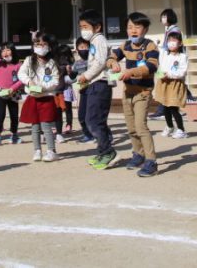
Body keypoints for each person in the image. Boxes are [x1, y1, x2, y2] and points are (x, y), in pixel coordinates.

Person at [108, 12, 161, 176]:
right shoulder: (125, 45)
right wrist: (113, 63)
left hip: (143, 92)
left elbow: (152, 66)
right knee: (131, 128)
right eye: (130, 27)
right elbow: (111, 57)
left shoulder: (150, 46)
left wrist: (131, 72)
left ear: (145, 29)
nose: (133, 30)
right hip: (128, 92)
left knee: (140, 126)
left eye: (137, 27)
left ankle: (151, 161)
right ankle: (138, 154)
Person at [74, 9, 115, 170]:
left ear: (97, 27)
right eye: (81, 27)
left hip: (100, 84)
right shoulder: (94, 41)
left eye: (85, 27)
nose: (83, 30)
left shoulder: (99, 40)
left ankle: (108, 152)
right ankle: (102, 151)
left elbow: (100, 62)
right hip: (94, 83)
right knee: (93, 119)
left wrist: (86, 75)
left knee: (94, 120)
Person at [18, 34, 61, 162]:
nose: (40, 47)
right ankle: (37, 150)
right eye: (37, 44)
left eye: (43, 44)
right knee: (35, 126)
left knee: (46, 125)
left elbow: (55, 81)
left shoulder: (52, 63)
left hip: (47, 97)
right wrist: (29, 82)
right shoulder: (29, 60)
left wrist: (42, 87)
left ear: (49, 46)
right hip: (33, 97)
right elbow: (21, 73)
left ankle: (51, 151)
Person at [155, 29, 188, 139]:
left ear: (180, 43)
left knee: (173, 107)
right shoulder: (165, 55)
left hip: (175, 84)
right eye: (169, 40)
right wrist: (160, 74)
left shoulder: (182, 57)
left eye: (174, 40)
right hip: (164, 83)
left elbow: (182, 72)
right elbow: (160, 67)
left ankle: (181, 130)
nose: (171, 43)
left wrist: (169, 74)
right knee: (165, 107)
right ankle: (169, 126)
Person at [150, 8, 180, 121]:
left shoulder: (174, 30)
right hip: (165, 61)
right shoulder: (169, 30)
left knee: (165, 85)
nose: (162, 19)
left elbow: (172, 47)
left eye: (164, 16)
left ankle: (162, 110)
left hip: (169, 62)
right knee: (164, 84)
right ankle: (163, 109)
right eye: (162, 17)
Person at [70, 37, 94, 143]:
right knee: (81, 116)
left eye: (86, 47)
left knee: (93, 115)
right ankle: (88, 135)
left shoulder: (93, 61)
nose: (84, 49)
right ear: (77, 49)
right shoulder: (77, 63)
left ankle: (104, 134)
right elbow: (73, 77)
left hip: (93, 90)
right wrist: (70, 72)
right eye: (81, 47)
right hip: (83, 92)